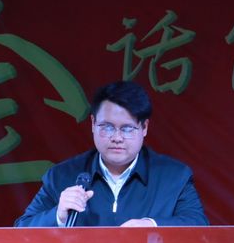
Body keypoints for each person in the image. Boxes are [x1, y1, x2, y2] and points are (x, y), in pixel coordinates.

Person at [15, 80, 209, 227]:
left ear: (144, 128)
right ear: (93, 124)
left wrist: (151, 225)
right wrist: (58, 215)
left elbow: (199, 225)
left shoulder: (174, 176)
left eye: (127, 129)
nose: (117, 138)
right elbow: (21, 230)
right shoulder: (62, 176)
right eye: (107, 127)